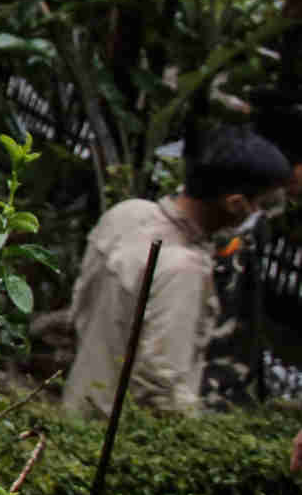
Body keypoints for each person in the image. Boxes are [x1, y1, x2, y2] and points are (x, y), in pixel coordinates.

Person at [64, 130, 290, 417]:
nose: (262, 214)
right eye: (263, 204)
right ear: (236, 204)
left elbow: (80, 308)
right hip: (114, 428)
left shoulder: (128, 213)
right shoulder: (184, 270)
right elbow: (161, 388)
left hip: (79, 403)